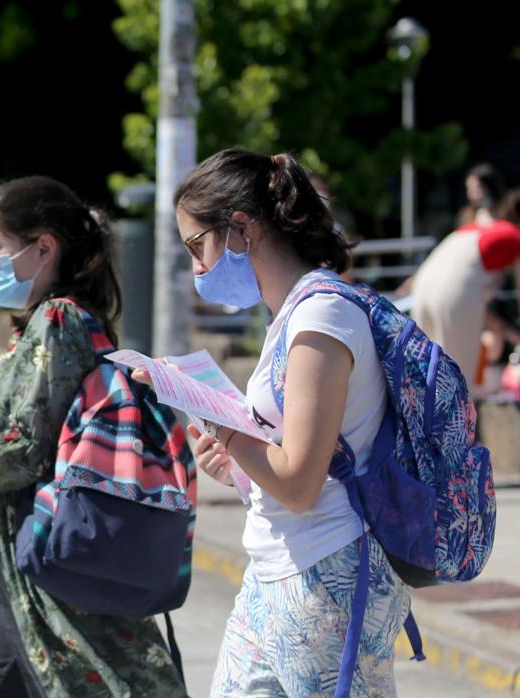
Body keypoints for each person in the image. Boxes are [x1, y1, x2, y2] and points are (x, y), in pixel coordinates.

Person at [0, 176, 187, 697]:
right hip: (33, 566)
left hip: (52, 559)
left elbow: (23, 449)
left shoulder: (57, 319)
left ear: (43, 247)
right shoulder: (55, 322)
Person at [144, 148, 411, 695]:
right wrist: (236, 467)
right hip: (278, 568)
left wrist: (219, 424)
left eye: (198, 246)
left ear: (240, 228)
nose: (197, 268)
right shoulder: (293, 313)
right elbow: (300, 463)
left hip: (328, 574)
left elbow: (299, 482)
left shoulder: (321, 316)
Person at [406, 189, 520, 388]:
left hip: (422, 291)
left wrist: (503, 329)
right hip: (452, 294)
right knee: (457, 385)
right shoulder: (518, 238)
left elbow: (461, 288)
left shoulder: (473, 229)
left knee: (425, 379)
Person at [457, 162, 506, 228]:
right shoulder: (468, 216)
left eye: (476, 189)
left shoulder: (507, 212)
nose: (470, 194)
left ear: (490, 188)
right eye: (469, 189)